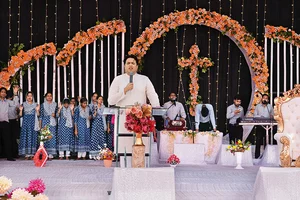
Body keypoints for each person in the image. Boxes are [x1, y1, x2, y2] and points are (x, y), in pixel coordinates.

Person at [19, 92, 40, 159]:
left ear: (32, 97)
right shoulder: (23, 104)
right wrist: (21, 110)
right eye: (28, 96)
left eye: (31, 96)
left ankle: (32, 154)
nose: (29, 97)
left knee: (33, 136)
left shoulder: (36, 104)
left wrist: (37, 110)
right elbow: (20, 115)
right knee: (26, 136)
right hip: (25, 123)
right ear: (26, 97)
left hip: (33, 122)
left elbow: (39, 115)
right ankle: (26, 154)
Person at [254, 94, 274, 158]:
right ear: (261, 99)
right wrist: (260, 117)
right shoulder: (258, 106)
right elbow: (254, 115)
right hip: (260, 125)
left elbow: (272, 115)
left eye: (266, 98)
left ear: (268, 100)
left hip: (267, 126)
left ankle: (266, 156)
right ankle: (257, 156)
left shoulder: (269, 107)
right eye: (264, 98)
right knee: (258, 140)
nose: (265, 99)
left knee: (266, 141)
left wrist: (272, 116)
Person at [39, 92, 57, 159]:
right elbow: (40, 116)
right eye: (48, 96)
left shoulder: (55, 104)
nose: (49, 97)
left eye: (50, 96)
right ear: (45, 97)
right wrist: (40, 126)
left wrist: (55, 115)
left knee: (52, 137)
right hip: (45, 122)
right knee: (45, 138)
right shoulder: (43, 105)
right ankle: (44, 153)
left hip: (52, 122)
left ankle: (51, 154)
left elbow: (58, 115)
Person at [0, 87, 15, 161]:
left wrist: (15, 94)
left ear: (6, 94)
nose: (3, 93)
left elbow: (14, 104)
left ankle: (9, 156)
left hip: (6, 122)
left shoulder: (8, 102)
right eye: (1, 92)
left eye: (4, 92)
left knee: (7, 140)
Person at [7, 85, 20, 158]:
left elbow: (17, 107)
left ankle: (14, 153)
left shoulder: (14, 101)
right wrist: (15, 93)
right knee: (9, 138)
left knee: (14, 138)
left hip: (14, 121)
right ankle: (9, 153)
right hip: (7, 121)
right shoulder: (6, 101)